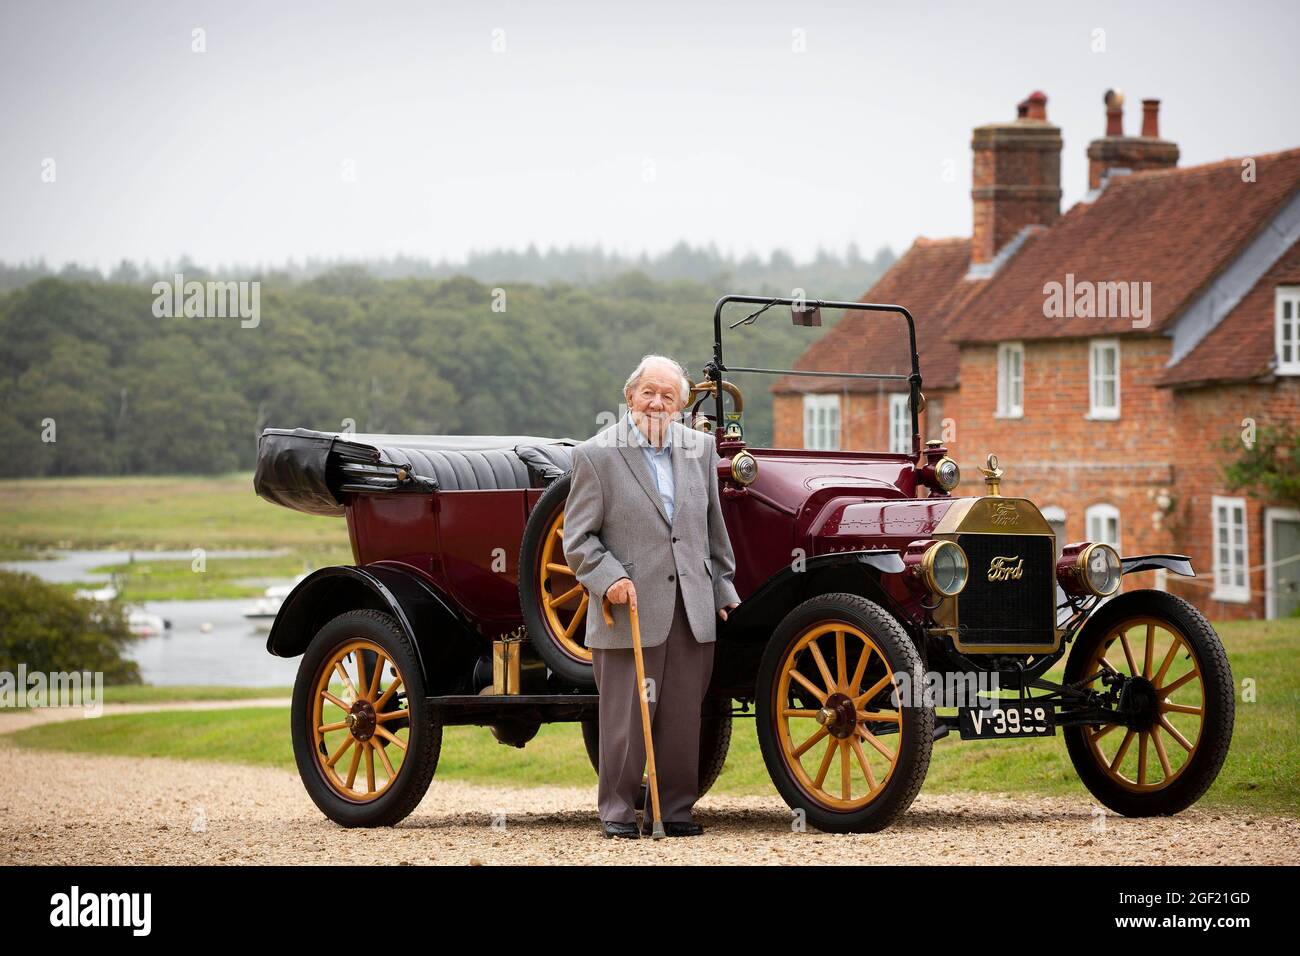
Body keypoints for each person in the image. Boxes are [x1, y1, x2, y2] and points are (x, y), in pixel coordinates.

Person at [563, 354, 741, 838]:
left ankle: (675, 811)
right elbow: (577, 539)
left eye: (668, 396)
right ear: (629, 397)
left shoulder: (700, 449)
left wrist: (722, 587)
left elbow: (713, 529)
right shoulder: (595, 455)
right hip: (628, 608)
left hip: (692, 606)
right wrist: (608, 578)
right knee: (626, 718)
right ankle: (618, 812)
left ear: (681, 405)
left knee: (682, 716)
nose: (657, 403)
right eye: (649, 393)